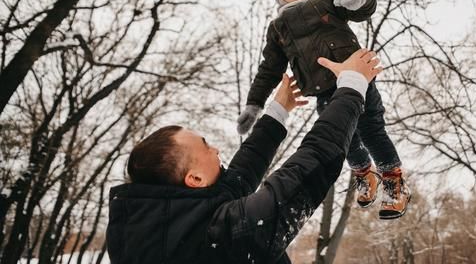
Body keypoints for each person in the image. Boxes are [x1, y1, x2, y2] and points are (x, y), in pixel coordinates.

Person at [107, 49, 381, 264]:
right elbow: (303, 174)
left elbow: (236, 179)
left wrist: (277, 112)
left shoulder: (163, 223)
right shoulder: (211, 239)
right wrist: (352, 87)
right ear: (195, 178)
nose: (215, 150)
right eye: (205, 146)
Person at [236, 0, 410, 219]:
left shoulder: (328, 0)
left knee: (371, 130)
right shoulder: (278, 28)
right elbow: (269, 69)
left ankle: (393, 180)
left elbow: (362, 7)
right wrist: (254, 104)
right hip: (324, 93)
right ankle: (364, 173)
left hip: (357, 78)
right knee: (344, 139)